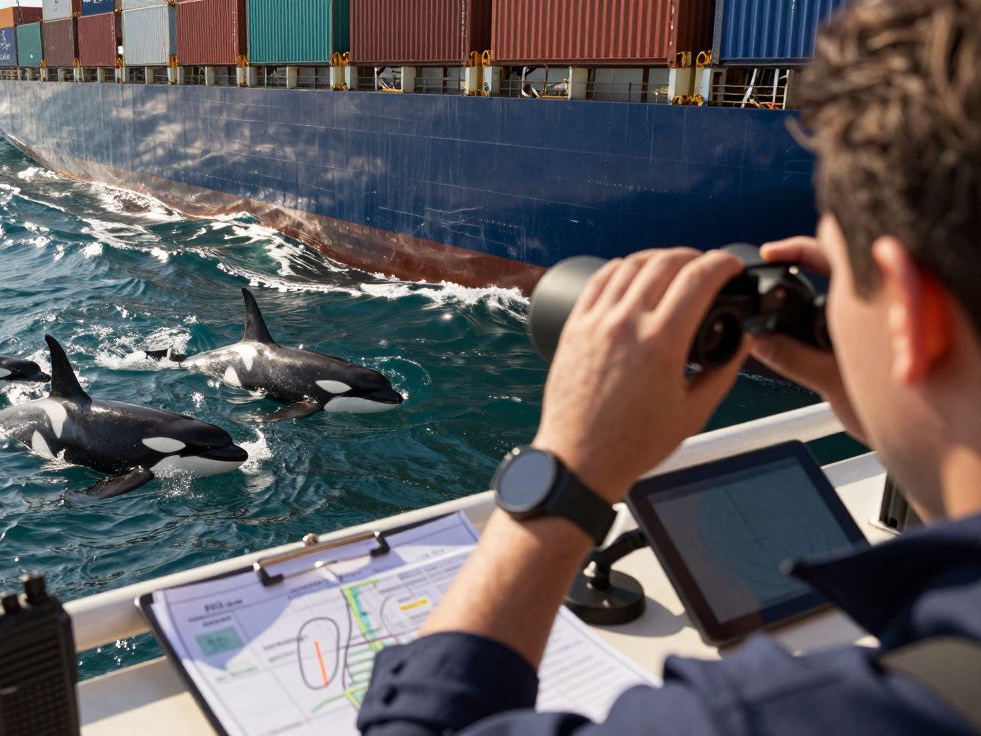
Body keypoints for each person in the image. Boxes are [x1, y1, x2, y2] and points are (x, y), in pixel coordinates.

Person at [358, 0, 981, 733]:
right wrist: (900, 412)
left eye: (842, 283)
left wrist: (567, 473)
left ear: (910, 311)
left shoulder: (796, 716)